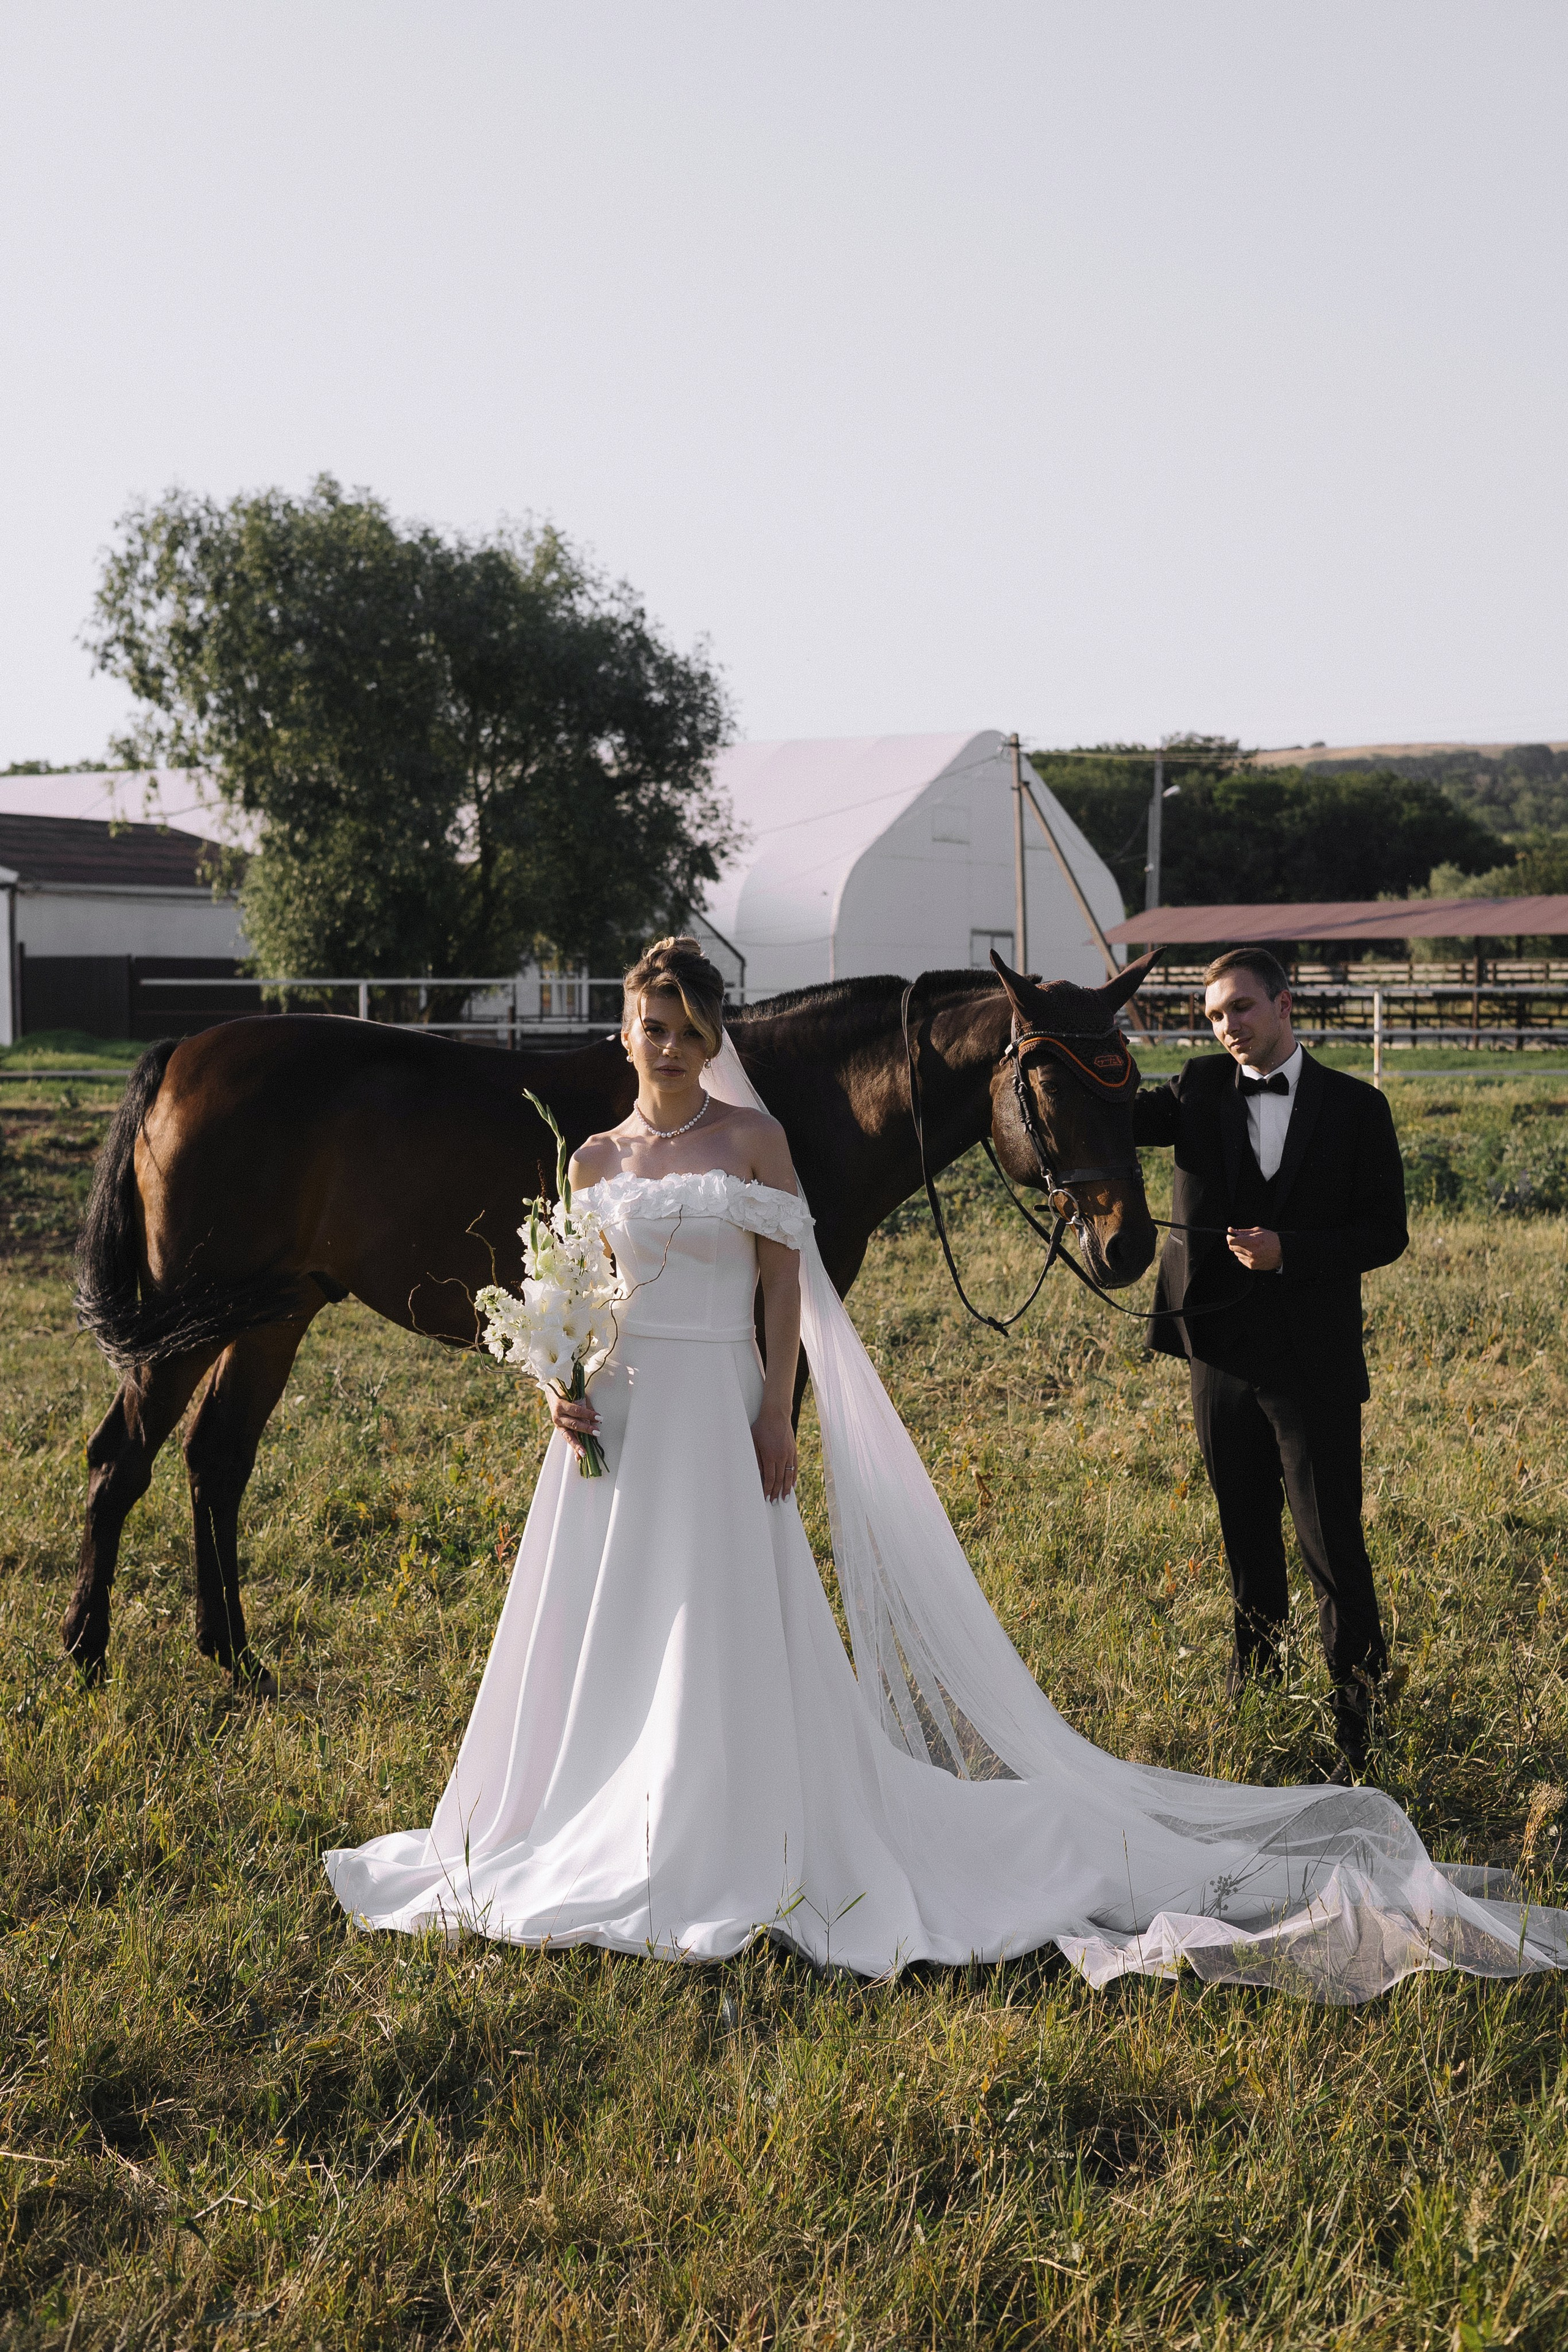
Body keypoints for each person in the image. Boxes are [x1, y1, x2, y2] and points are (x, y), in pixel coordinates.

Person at [325, 937, 1567, 1998]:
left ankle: (736, 1811)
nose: (658, 1047)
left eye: (680, 1030)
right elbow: (583, 1289)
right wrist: (562, 1375)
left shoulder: (753, 1141)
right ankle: (588, 1805)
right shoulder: (593, 1159)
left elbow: (781, 1284)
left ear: (709, 1037)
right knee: (600, 1619)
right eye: (645, 1029)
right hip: (618, 1416)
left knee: (729, 1609)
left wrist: (773, 1413)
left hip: (719, 1407)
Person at [1134, 948, 1408, 1777]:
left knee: (1333, 1551)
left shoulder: (1358, 1107)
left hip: (1312, 1365)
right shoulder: (1199, 1089)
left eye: (1241, 1010)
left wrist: (1291, 1249)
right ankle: (1258, 1716)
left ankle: (1359, 1737)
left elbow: (1385, 1234)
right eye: (1216, 1017)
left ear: (1285, 1005)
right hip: (1216, 1355)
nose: (1228, 1029)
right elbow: (1112, 1112)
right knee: (1247, 1546)